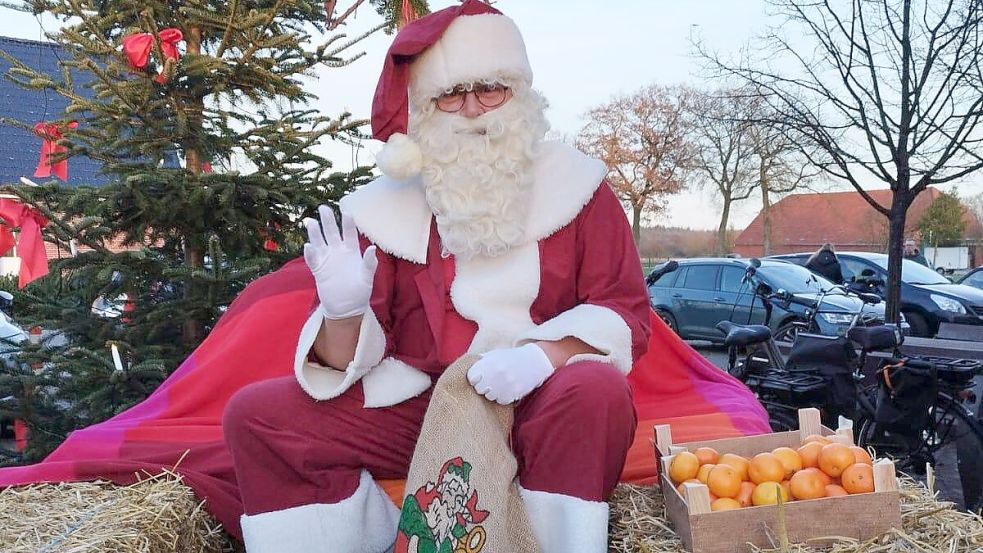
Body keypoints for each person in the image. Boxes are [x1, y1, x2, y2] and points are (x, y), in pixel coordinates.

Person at [221, 2, 651, 552]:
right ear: (425, 108)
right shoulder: (381, 210)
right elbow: (339, 360)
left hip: (539, 404)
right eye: (450, 94)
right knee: (257, 417)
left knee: (596, 390)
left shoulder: (580, 188)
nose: (472, 109)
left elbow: (622, 310)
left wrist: (544, 355)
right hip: (421, 409)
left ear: (518, 92)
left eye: (489, 89)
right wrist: (343, 313)